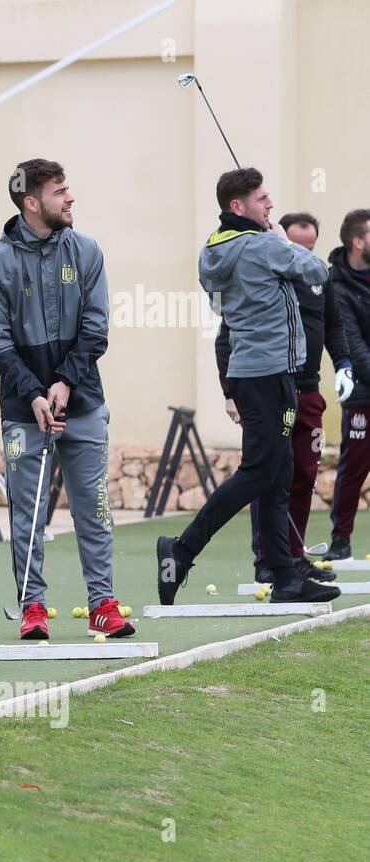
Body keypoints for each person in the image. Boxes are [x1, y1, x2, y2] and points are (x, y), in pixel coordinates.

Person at [158, 167, 339, 605]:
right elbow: (318, 271)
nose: (270, 205)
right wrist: (279, 238)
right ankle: (180, 551)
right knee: (260, 472)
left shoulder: (211, 252)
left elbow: (221, 302)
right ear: (237, 207)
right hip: (269, 375)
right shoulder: (262, 247)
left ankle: (285, 575)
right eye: (262, 200)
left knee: (278, 475)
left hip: (252, 372)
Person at [0, 158, 133, 639]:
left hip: (83, 403)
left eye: (69, 190)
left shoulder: (87, 251)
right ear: (32, 202)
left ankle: (102, 606)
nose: (70, 199)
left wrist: (65, 383)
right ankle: (33, 609)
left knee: (95, 507)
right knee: (27, 513)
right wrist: (35, 396)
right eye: (60, 191)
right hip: (24, 413)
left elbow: (95, 328)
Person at [215, 212, 351, 582]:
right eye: (296, 246)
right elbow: (226, 337)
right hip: (271, 390)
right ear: (279, 241)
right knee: (267, 475)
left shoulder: (318, 278)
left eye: (310, 247)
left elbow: (333, 325)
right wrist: (230, 394)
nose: (305, 254)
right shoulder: (263, 279)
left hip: (308, 392)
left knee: (304, 475)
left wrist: (343, 365)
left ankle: (293, 554)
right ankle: (267, 560)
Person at [324, 209, 370, 560]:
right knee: (354, 467)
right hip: (361, 394)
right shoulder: (336, 286)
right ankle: (340, 539)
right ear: (358, 241)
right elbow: (352, 347)